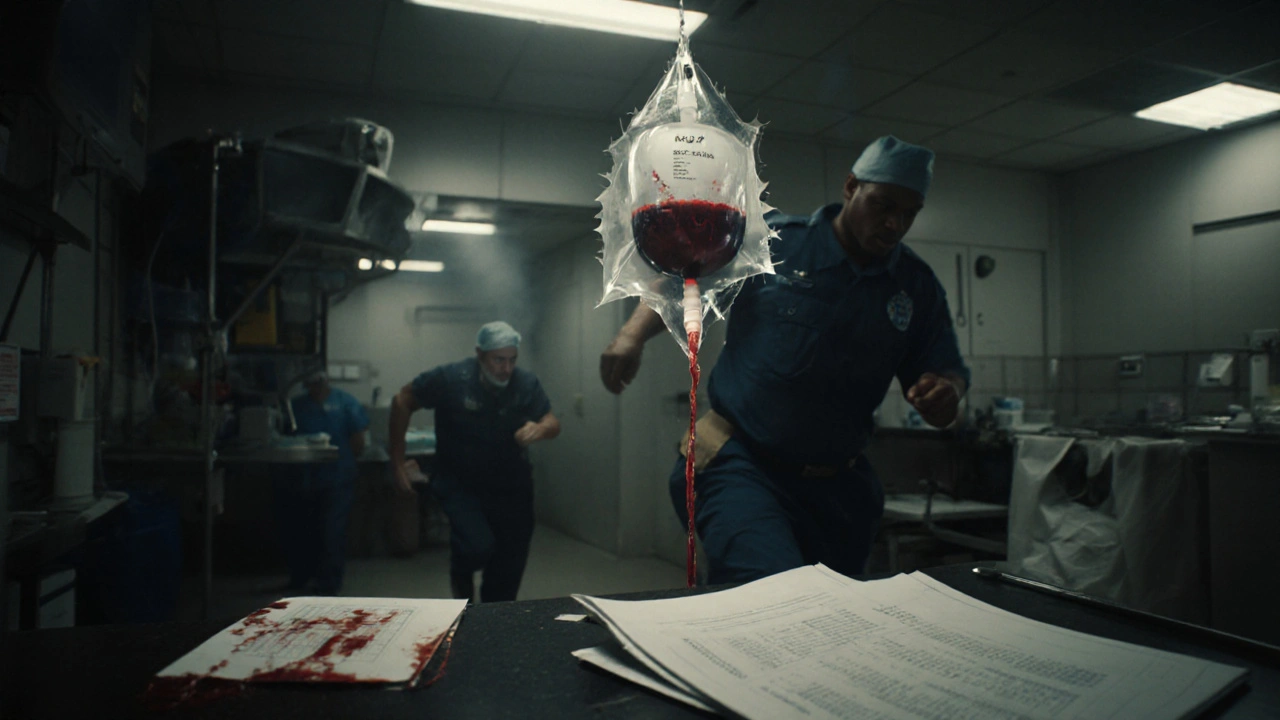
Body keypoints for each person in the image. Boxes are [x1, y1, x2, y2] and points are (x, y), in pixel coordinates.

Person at [599, 135, 970, 584]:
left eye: (908, 214)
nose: (894, 224)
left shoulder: (915, 286)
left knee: (835, 618)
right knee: (771, 590)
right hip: (743, 464)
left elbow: (944, 368)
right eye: (883, 204)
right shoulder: (771, 242)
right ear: (851, 187)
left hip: (839, 488)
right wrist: (630, 335)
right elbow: (685, 279)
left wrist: (946, 393)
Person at [389, 321, 561, 602]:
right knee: (476, 546)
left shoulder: (525, 383)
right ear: (480, 354)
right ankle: (461, 589)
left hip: (511, 486)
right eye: (498, 360)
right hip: (460, 483)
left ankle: (493, 620)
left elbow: (552, 421)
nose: (506, 369)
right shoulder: (450, 378)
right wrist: (397, 462)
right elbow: (402, 400)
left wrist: (541, 429)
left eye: (512, 360)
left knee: (509, 563)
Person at [272, 371, 369, 595]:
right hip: (302, 480)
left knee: (332, 532)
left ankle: (328, 585)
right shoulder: (296, 406)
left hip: (337, 479)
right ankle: (301, 577)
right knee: (302, 530)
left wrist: (344, 464)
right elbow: (283, 436)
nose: (315, 388)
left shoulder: (346, 403)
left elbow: (358, 442)